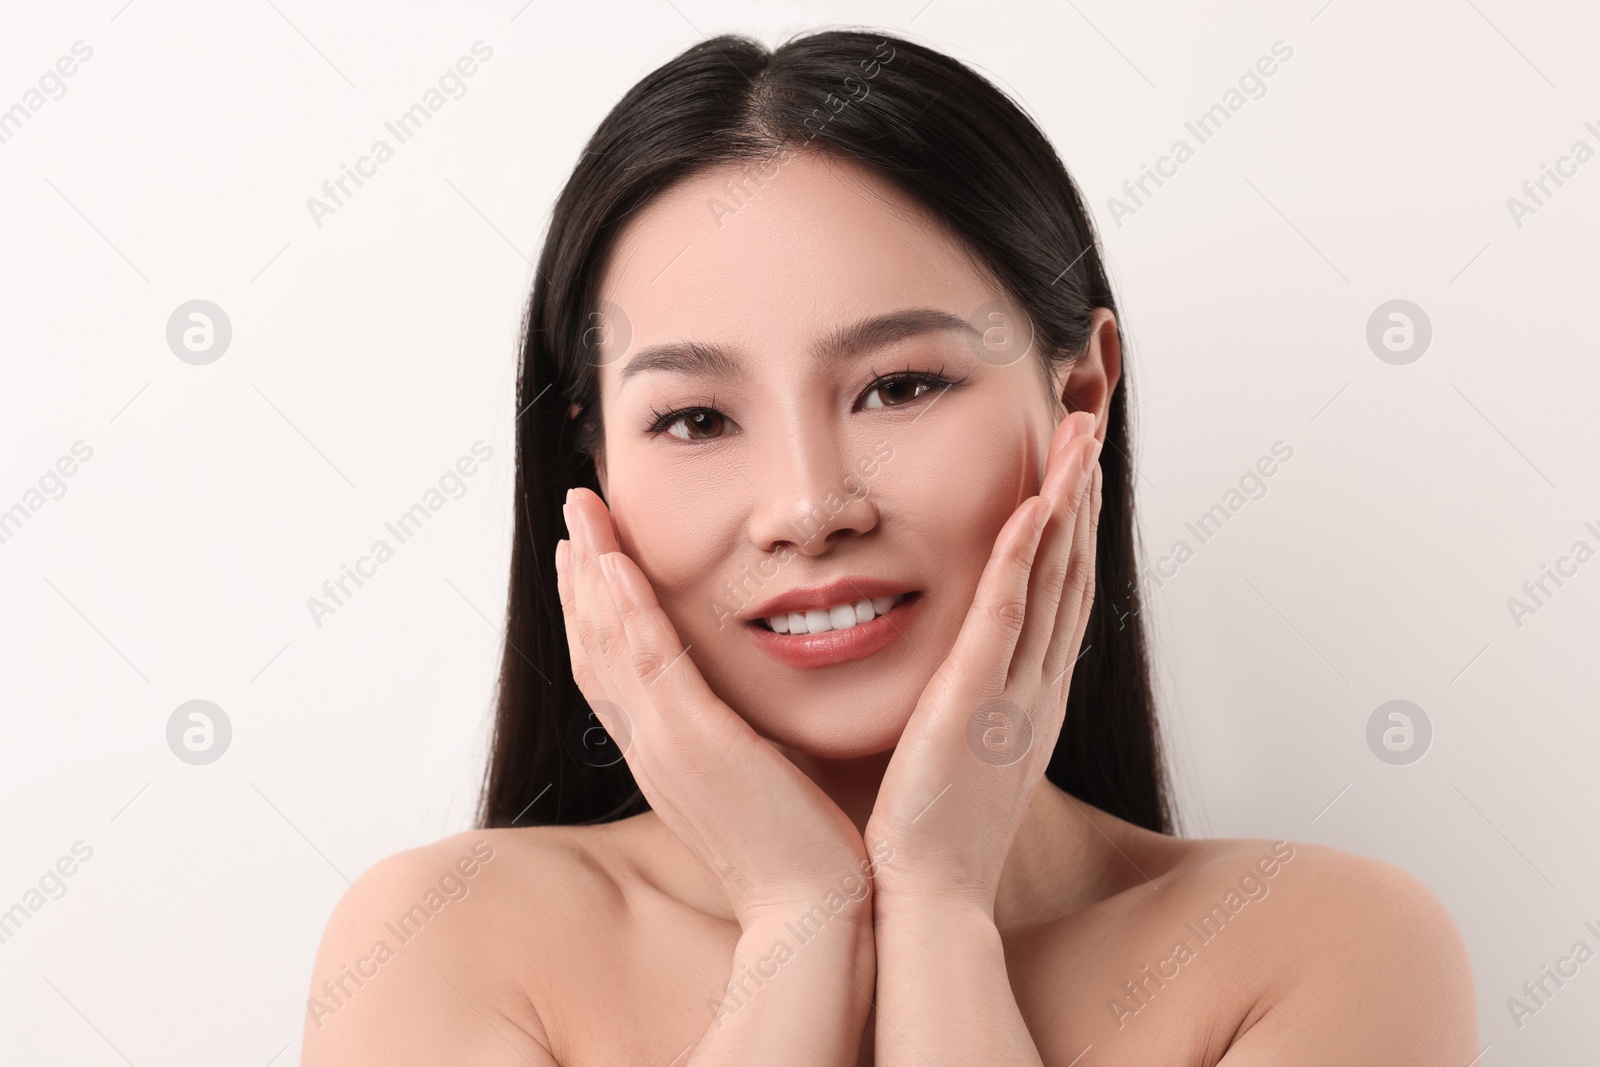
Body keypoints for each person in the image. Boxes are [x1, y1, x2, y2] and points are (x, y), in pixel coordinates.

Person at [303, 29, 1476, 1065]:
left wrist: (939, 906)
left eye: (900, 385)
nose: (809, 506)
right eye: (696, 418)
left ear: (1079, 391)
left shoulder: (1320, 947)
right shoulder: (445, 942)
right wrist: (797, 914)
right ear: (592, 465)